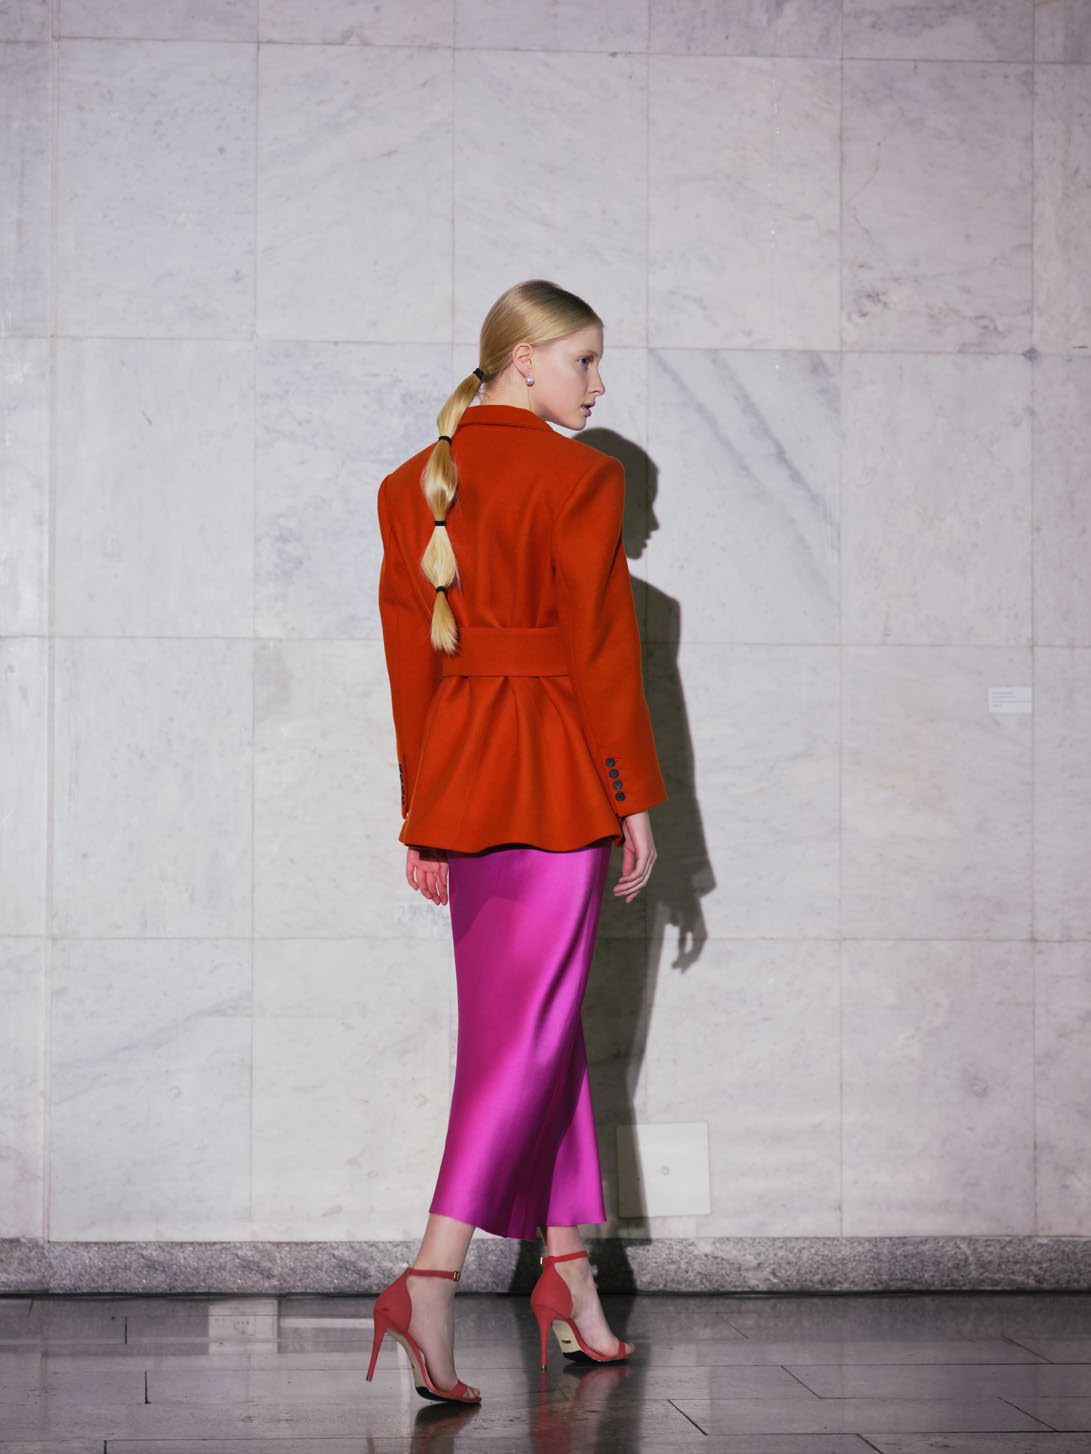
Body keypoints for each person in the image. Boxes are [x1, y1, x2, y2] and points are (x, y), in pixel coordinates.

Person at [367, 279, 667, 1405]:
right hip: (553, 780)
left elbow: (410, 662)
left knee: (534, 1030)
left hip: (463, 783)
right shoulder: (580, 476)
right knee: (526, 1036)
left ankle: (566, 1273)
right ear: (525, 360)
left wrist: (422, 811)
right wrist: (630, 796)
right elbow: (600, 649)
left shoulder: (410, 485)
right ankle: (431, 1276)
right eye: (584, 359)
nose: (598, 383)